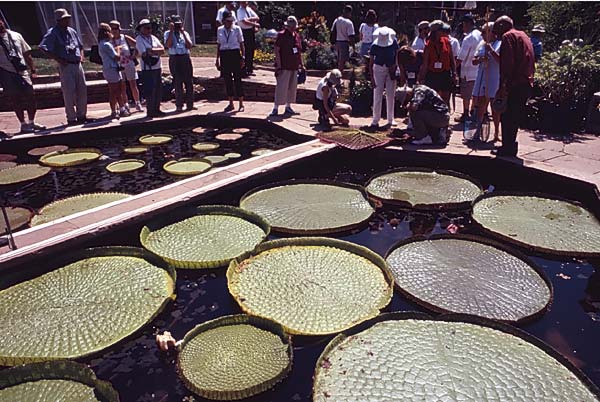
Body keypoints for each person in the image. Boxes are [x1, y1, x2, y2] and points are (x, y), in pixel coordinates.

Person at [492, 15, 535, 157]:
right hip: (526, 82)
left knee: (507, 115)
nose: (495, 33)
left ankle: (507, 147)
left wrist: (503, 86)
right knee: (514, 116)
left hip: (515, 83)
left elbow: (507, 64)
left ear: (502, 26)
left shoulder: (508, 36)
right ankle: (511, 145)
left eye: (496, 29)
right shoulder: (523, 35)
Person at [39, 8, 87, 125]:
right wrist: (58, 59)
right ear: (59, 20)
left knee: (82, 90)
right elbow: (43, 47)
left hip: (77, 64)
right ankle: (71, 118)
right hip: (66, 65)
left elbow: (80, 46)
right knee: (69, 92)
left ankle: (82, 115)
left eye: (68, 19)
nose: (67, 21)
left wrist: (81, 56)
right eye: (64, 19)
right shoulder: (53, 32)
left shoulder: (72, 31)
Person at [0, 19, 45, 133]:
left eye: (0, 22)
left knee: (31, 96)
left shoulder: (16, 35)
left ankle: (32, 122)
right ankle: (23, 124)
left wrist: (33, 69)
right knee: (15, 99)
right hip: (7, 71)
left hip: (22, 70)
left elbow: (26, 53)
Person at [472, 22, 501, 141]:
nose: (482, 34)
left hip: (494, 78)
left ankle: (496, 133)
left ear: (492, 32)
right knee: (481, 105)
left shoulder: (500, 44)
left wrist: (491, 50)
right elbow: (474, 60)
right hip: (482, 77)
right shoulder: (481, 44)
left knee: (495, 108)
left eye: (484, 32)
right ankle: (478, 130)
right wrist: (480, 59)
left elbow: (501, 60)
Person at [270, 16, 304, 117]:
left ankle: (288, 107)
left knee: (292, 88)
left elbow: (299, 52)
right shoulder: (281, 35)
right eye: (291, 26)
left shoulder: (297, 36)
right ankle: (275, 108)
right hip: (284, 66)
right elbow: (277, 50)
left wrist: (301, 65)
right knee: (281, 87)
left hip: (294, 66)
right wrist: (279, 65)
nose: (293, 28)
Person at [418, 20, 456, 106]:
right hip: (432, 75)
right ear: (436, 32)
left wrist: (454, 73)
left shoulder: (447, 41)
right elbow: (425, 63)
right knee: (433, 98)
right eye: (442, 30)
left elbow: (452, 59)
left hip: (445, 73)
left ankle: (445, 115)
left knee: (445, 98)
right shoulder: (428, 45)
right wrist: (421, 78)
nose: (444, 32)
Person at [109, 20, 142, 113]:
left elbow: (137, 45)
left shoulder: (125, 38)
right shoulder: (110, 40)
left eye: (115, 28)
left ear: (119, 29)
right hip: (118, 65)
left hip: (128, 63)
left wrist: (134, 55)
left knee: (133, 84)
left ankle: (137, 102)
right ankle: (126, 103)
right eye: (112, 28)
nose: (114, 30)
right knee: (122, 86)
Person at [369, 26, 399, 128]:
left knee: (391, 94)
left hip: (390, 68)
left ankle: (390, 119)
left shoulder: (393, 42)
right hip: (379, 69)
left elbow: (396, 55)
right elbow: (371, 63)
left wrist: (395, 67)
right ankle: (375, 120)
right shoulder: (374, 45)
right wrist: (372, 78)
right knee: (377, 94)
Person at [97, 23, 129, 119]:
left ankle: (117, 109)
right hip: (111, 69)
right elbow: (116, 57)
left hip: (109, 69)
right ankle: (118, 110)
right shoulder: (107, 44)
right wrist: (119, 50)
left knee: (115, 90)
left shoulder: (101, 44)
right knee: (115, 90)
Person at [216, 10, 245, 112]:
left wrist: (243, 57)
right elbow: (219, 45)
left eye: (231, 21)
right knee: (227, 79)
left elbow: (241, 43)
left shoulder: (237, 29)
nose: (230, 23)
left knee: (237, 78)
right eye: (228, 21)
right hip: (225, 54)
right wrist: (217, 59)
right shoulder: (219, 30)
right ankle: (231, 103)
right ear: (223, 21)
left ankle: (241, 103)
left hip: (235, 54)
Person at [165, 15, 195, 112]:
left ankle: (190, 104)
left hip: (185, 57)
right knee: (178, 82)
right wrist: (171, 31)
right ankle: (179, 105)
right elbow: (168, 45)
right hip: (175, 58)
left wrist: (183, 33)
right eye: (176, 24)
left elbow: (189, 45)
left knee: (189, 82)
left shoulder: (184, 33)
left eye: (179, 24)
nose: (178, 26)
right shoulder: (167, 33)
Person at [135, 18, 164, 118]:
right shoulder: (139, 39)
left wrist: (152, 50)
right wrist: (155, 51)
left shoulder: (154, 38)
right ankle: (151, 111)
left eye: (150, 28)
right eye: (146, 28)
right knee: (150, 89)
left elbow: (162, 50)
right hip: (148, 68)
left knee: (158, 89)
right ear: (141, 29)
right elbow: (143, 52)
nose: (149, 30)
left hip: (157, 66)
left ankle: (157, 109)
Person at [456, 14, 482, 122]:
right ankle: (473, 112)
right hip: (478, 70)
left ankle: (466, 113)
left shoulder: (468, 38)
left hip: (467, 71)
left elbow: (461, 57)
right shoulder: (481, 35)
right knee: (475, 94)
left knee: (466, 95)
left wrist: (454, 68)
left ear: (467, 24)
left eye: (463, 24)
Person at [237, 1, 260, 76]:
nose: (245, 3)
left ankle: (250, 68)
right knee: (246, 50)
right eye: (243, 2)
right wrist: (254, 24)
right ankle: (244, 69)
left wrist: (249, 19)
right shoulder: (239, 11)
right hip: (244, 31)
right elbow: (244, 21)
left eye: (246, 2)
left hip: (250, 31)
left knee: (251, 50)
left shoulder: (249, 9)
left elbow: (257, 17)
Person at [331, 5, 355, 71]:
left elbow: (333, 31)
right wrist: (353, 46)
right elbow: (351, 36)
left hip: (337, 42)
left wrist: (332, 43)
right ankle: (339, 75)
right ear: (349, 13)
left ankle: (337, 74)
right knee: (342, 61)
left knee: (338, 60)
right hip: (344, 42)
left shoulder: (337, 20)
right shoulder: (349, 23)